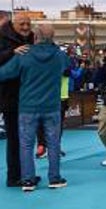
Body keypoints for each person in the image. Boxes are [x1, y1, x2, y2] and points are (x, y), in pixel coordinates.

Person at [0, 22, 70, 191]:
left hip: (27, 107)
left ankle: (28, 181)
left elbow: (3, 74)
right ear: (53, 37)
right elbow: (67, 68)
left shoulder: (24, 54)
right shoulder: (60, 56)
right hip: (52, 106)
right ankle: (55, 178)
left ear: (35, 36)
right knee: (53, 143)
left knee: (25, 144)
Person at [0, 12, 34, 186]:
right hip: (9, 97)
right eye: (22, 24)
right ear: (13, 24)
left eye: (28, 23)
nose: (26, 27)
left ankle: (26, 174)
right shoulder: (2, 37)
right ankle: (13, 177)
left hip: (28, 96)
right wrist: (12, 53)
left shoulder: (31, 38)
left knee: (26, 138)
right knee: (14, 138)